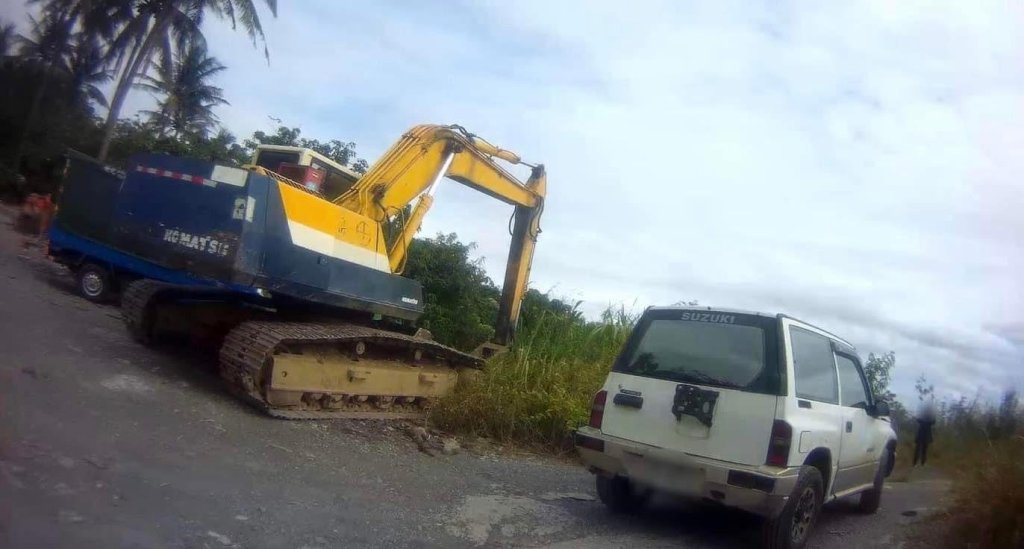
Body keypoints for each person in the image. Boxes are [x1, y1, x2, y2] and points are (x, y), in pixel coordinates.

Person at [913, 400, 937, 466]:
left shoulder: (929, 414)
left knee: (923, 449)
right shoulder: (924, 414)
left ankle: (921, 463)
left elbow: (933, 422)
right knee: (919, 449)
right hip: (923, 434)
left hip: (924, 434)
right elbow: (918, 419)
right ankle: (916, 463)